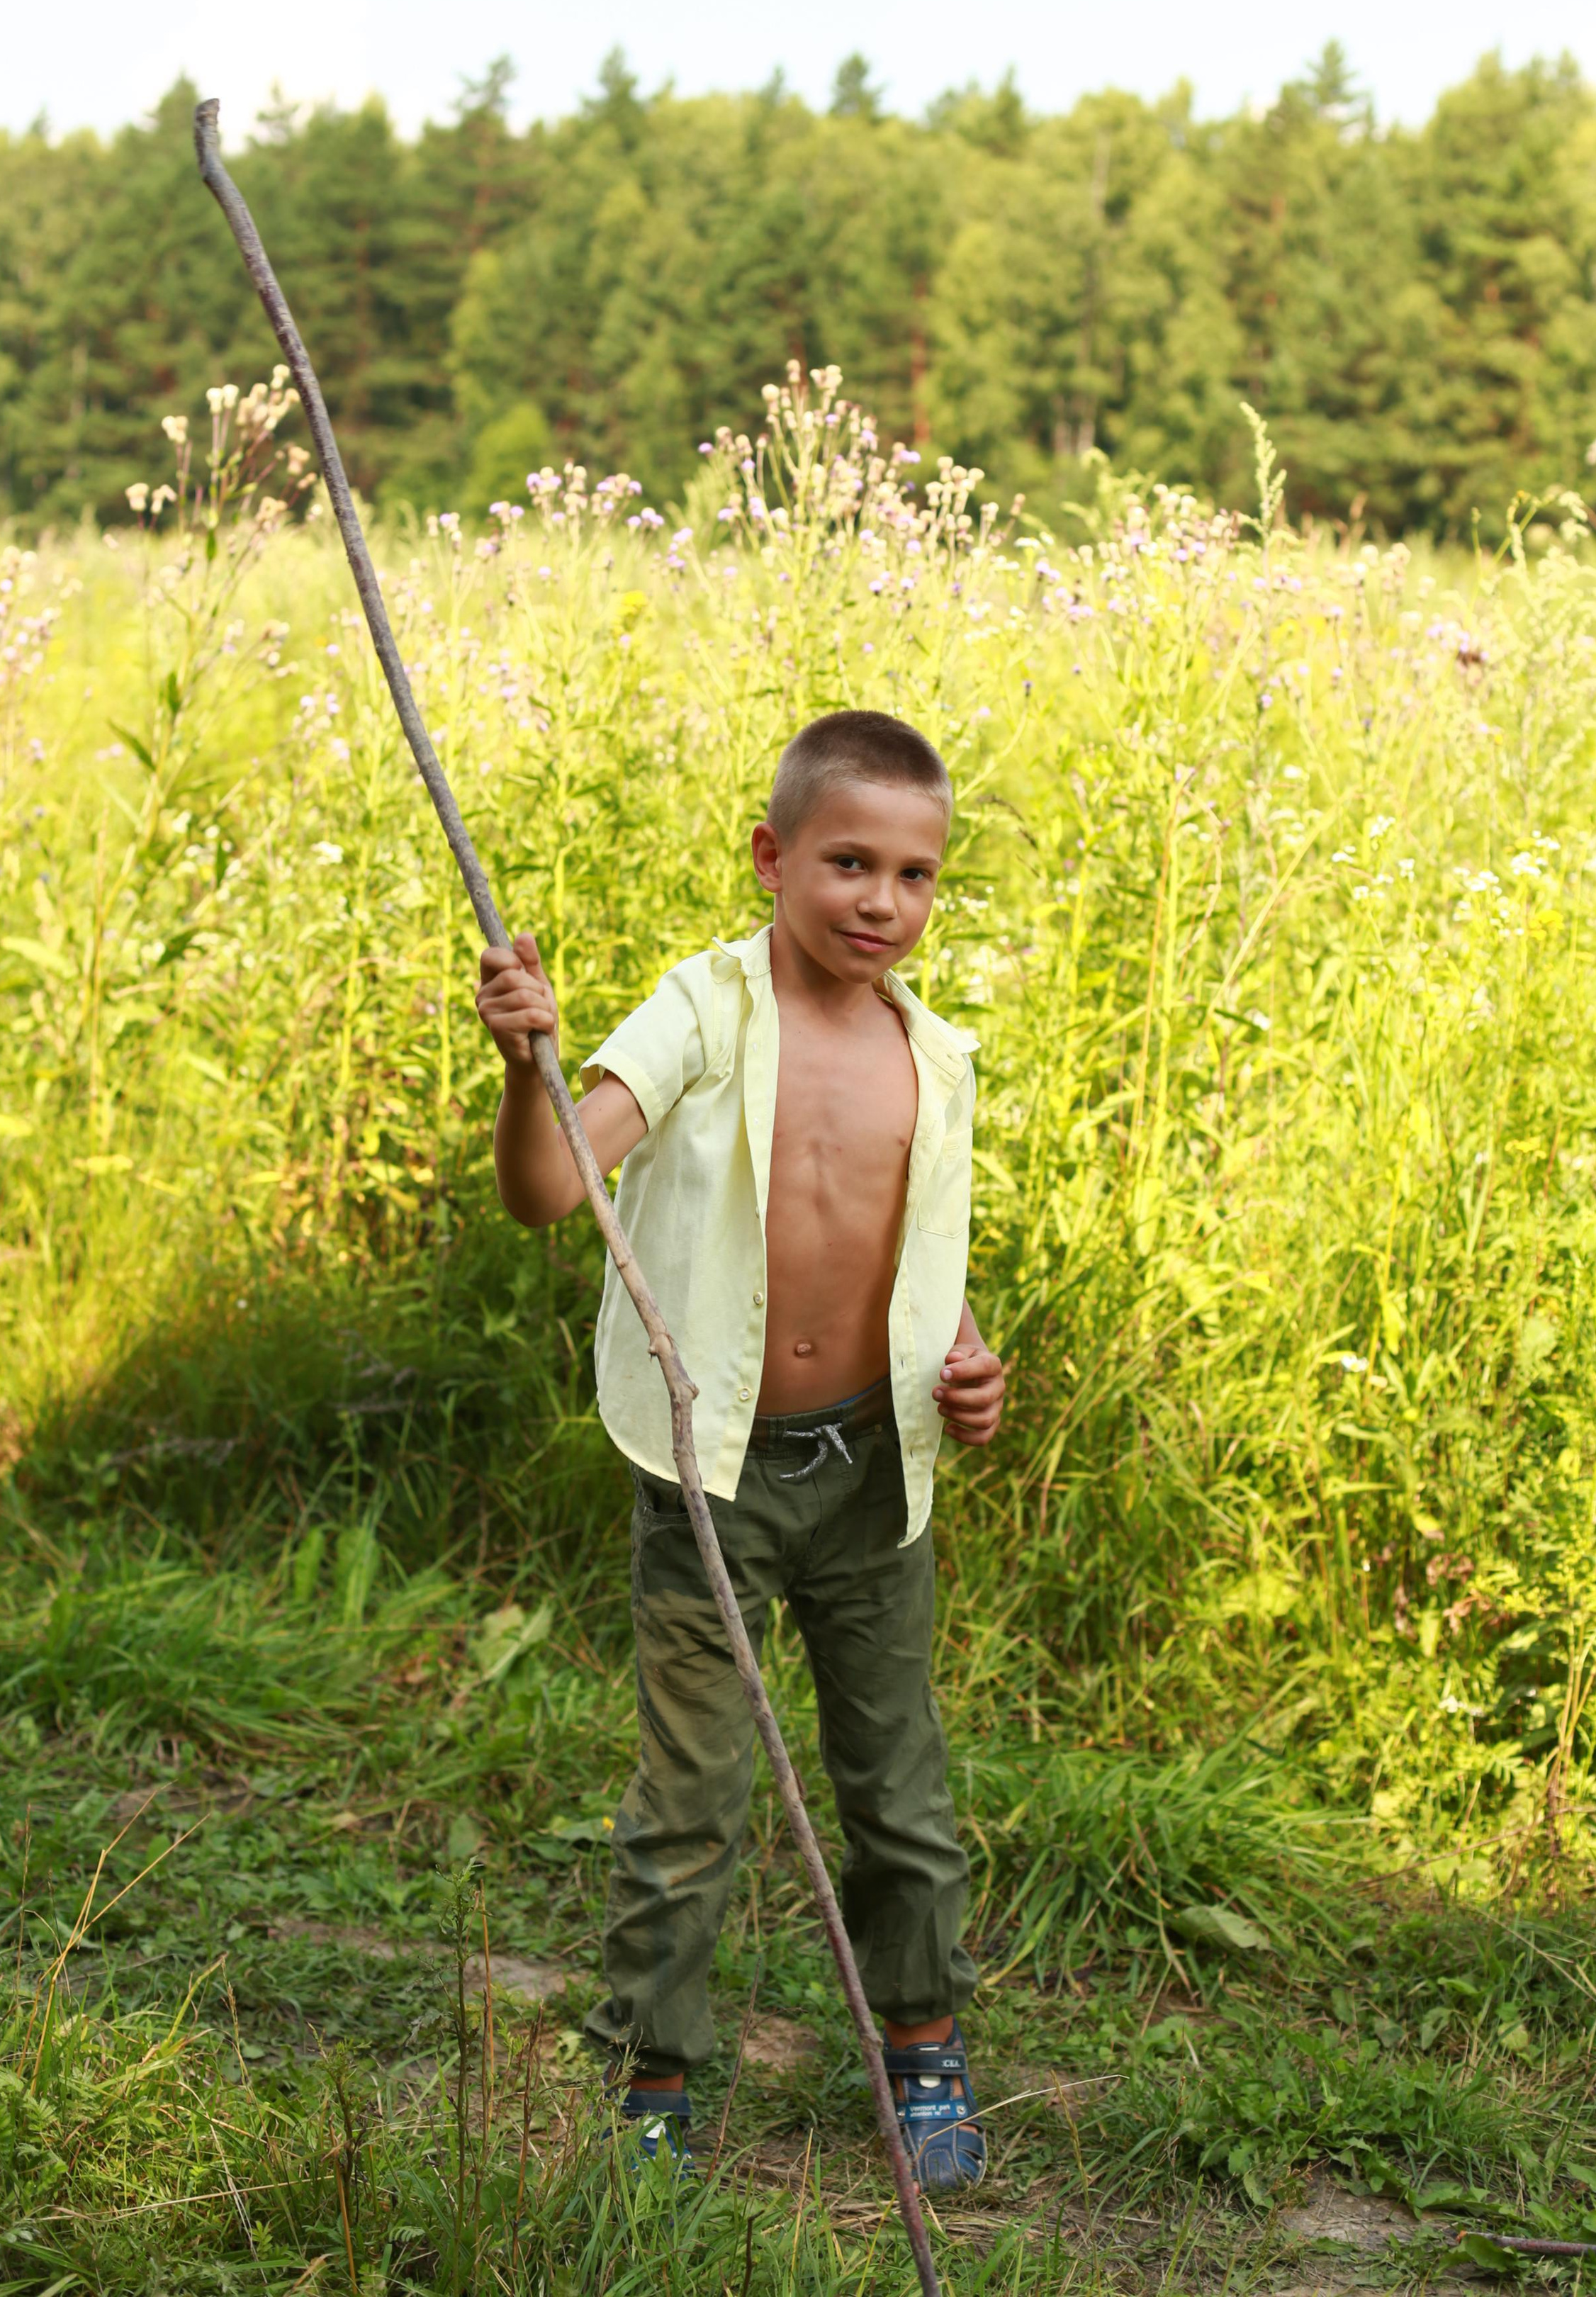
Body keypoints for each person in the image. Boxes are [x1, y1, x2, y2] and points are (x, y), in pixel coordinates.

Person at [473, 708, 1006, 2191]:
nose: (877, 903)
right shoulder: (701, 1014)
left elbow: (920, 1261)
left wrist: (963, 1366)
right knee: (692, 1796)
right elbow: (544, 1192)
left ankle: (919, 2045)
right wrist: (528, 1066)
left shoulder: (936, 1056)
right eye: (846, 861)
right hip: (712, 1476)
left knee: (898, 1791)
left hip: (874, 1473)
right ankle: (650, 2072)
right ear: (772, 856)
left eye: (911, 875)